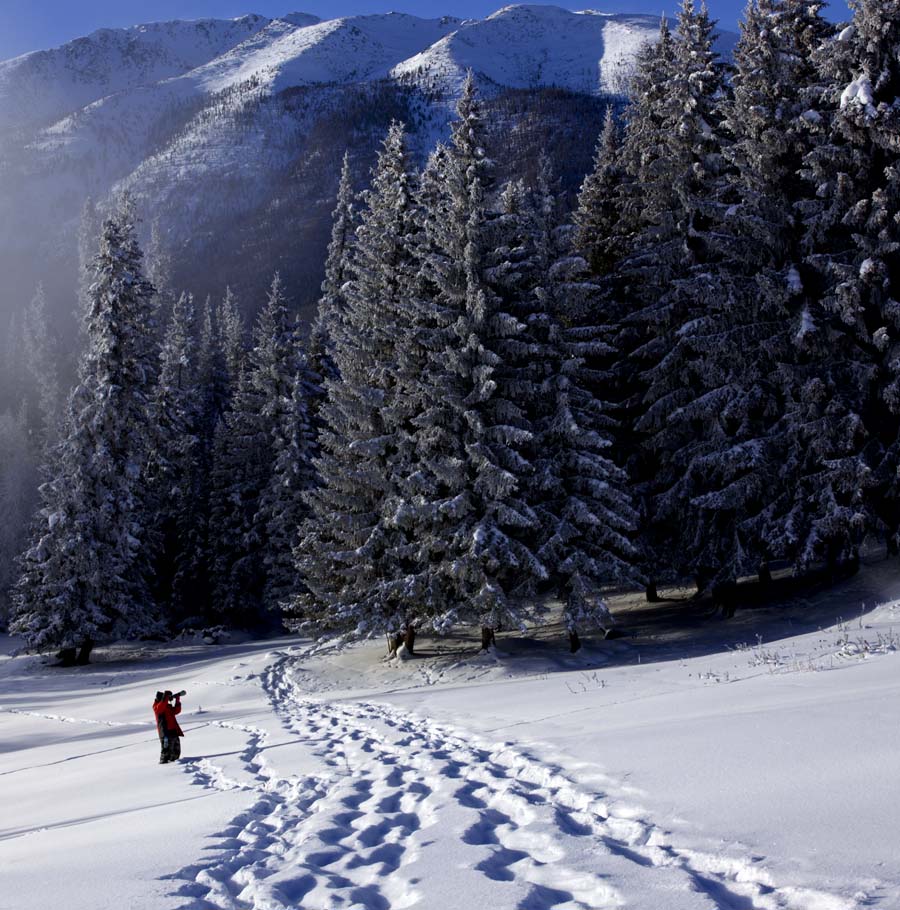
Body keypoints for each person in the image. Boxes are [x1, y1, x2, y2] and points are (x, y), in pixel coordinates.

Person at [153, 690, 184, 764]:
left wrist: (177, 699)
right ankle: (165, 768)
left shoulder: (168, 706)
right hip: (165, 733)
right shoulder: (157, 707)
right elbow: (162, 705)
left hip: (173, 731)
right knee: (166, 752)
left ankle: (175, 765)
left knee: (176, 751)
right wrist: (166, 695)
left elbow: (177, 711)